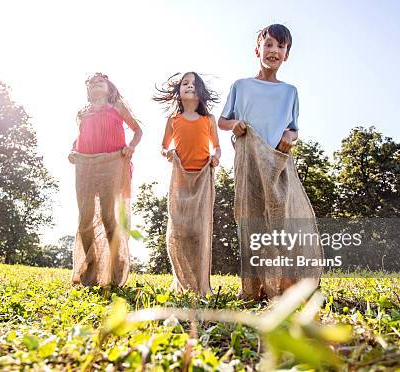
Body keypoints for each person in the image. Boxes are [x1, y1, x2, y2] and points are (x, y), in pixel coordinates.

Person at [218, 24, 323, 300]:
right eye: (269, 44)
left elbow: (294, 128)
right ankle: (256, 287)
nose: (274, 50)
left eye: (280, 46)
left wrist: (291, 134)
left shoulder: (290, 92)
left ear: (286, 54)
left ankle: (287, 284)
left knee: (282, 221)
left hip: (277, 164)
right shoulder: (240, 86)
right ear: (257, 50)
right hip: (249, 163)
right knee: (253, 221)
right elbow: (222, 121)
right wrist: (236, 125)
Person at [69, 72, 143, 287]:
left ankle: (114, 266)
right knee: (85, 217)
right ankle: (90, 267)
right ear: (88, 91)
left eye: (100, 82)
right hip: (86, 165)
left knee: (110, 216)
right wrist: (73, 150)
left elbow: (138, 130)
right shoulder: (83, 113)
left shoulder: (117, 107)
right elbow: (81, 137)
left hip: (112, 164)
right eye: (92, 83)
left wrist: (131, 146)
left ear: (109, 88)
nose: (96, 84)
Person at [154, 72, 220, 295]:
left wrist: (216, 156)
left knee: (199, 231)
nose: (190, 86)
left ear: (201, 92)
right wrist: (169, 152)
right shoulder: (173, 120)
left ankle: (202, 284)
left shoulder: (208, 120)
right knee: (180, 230)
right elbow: (163, 146)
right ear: (178, 91)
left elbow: (217, 147)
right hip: (180, 178)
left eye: (194, 84)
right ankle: (181, 282)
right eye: (185, 83)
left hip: (202, 178)